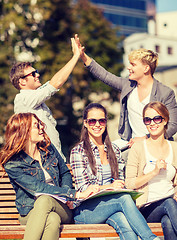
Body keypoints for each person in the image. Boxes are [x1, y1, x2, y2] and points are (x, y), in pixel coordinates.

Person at [70, 102, 160, 240]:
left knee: (125, 224)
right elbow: (83, 189)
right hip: (86, 211)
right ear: (86, 123)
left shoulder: (115, 150)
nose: (97, 124)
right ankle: (151, 238)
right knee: (123, 199)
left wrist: (119, 185)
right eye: (92, 121)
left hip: (111, 206)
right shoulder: (78, 151)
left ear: (105, 122)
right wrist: (109, 187)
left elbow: (120, 180)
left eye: (101, 120)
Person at [75, 34, 177, 148]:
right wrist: (83, 56)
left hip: (156, 145)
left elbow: (173, 126)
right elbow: (105, 75)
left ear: (146, 68)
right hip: (131, 144)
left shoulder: (165, 93)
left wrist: (146, 138)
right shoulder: (127, 85)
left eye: (133, 64)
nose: (128, 67)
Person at [0, 112, 88, 240]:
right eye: (36, 125)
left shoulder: (49, 149)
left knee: (45, 200)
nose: (42, 127)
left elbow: (64, 172)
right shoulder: (13, 163)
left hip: (61, 206)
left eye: (40, 124)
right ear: (24, 131)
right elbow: (37, 188)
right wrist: (75, 194)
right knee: (52, 219)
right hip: (30, 212)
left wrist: (66, 195)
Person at [9, 37, 81, 160]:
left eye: (36, 71)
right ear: (22, 82)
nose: (37, 74)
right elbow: (56, 83)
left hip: (55, 160)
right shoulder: (23, 99)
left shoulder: (34, 96)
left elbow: (53, 82)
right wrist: (75, 56)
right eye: (33, 74)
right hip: (43, 164)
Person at [125, 101, 177, 240]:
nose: (152, 123)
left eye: (157, 118)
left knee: (168, 222)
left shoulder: (174, 148)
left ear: (165, 120)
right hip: (146, 208)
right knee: (169, 203)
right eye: (148, 120)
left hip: (172, 208)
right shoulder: (138, 148)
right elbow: (129, 183)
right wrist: (153, 172)